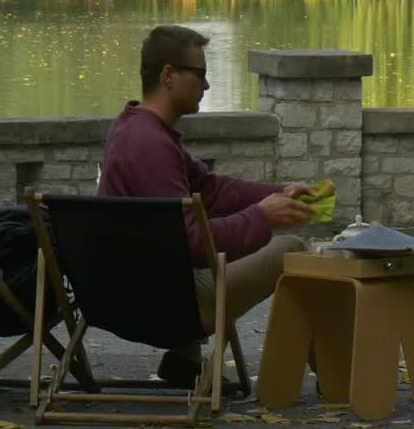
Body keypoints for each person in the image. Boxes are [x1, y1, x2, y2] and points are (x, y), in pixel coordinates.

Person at [98, 24, 315, 387]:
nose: (208, 86)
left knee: (217, 249)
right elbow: (191, 243)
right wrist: (262, 217)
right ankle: (335, 372)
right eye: (200, 74)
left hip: (126, 292)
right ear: (169, 75)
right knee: (291, 251)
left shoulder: (136, 128)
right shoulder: (150, 146)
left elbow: (211, 192)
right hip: (161, 305)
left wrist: (279, 193)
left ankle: (185, 359)